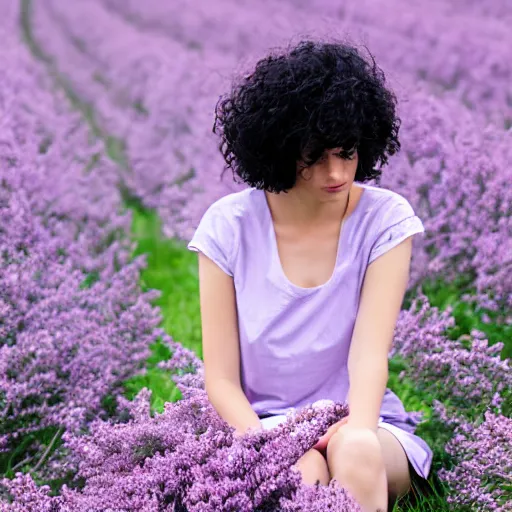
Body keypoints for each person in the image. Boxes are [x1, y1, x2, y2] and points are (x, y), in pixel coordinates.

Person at [187, 38, 433, 512]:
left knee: (354, 452)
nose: (336, 171)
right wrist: (266, 447)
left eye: (348, 151)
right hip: (263, 424)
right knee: (301, 473)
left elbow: (368, 354)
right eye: (315, 155)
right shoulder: (229, 225)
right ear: (279, 148)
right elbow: (219, 377)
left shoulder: (385, 218)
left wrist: (357, 423)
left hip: (365, 420)